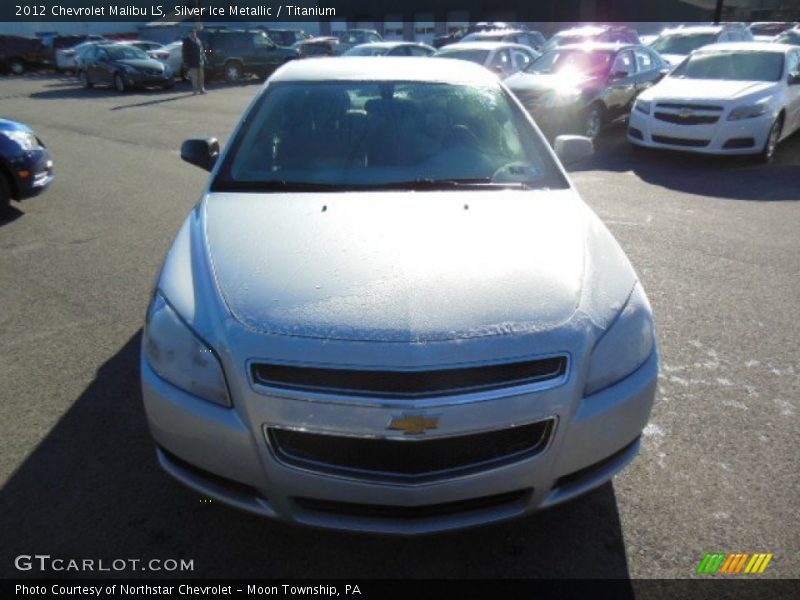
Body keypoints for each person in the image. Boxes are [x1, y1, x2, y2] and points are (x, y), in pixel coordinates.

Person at [182, 28, 206, 95]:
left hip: (200, 61)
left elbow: (202, 50)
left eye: (194, 32)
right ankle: (195, 90)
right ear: (189, 34)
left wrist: (204, 57)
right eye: (192, 33)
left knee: (201, 76)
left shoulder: (198, 40)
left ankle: (202, 89)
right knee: (194, 77)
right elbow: (184, 52)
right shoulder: (186, 41)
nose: (193, 34)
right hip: (192, 62)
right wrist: (186, 62)